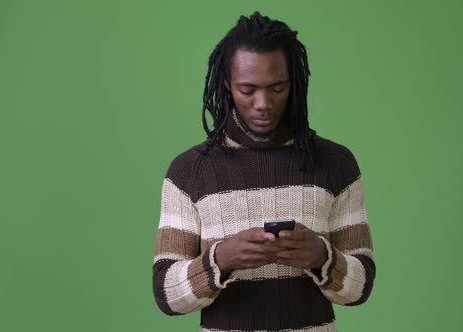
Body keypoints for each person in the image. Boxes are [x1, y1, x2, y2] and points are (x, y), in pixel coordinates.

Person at [152, 11, 376, 332]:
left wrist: (321, 257)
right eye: (248, 89)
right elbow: (166, 295)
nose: (263, 103)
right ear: (227, 84)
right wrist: (221, 260)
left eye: (277, 87)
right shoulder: (189, 172)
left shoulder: (335, 163)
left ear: (293, 83)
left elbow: (361, 288)